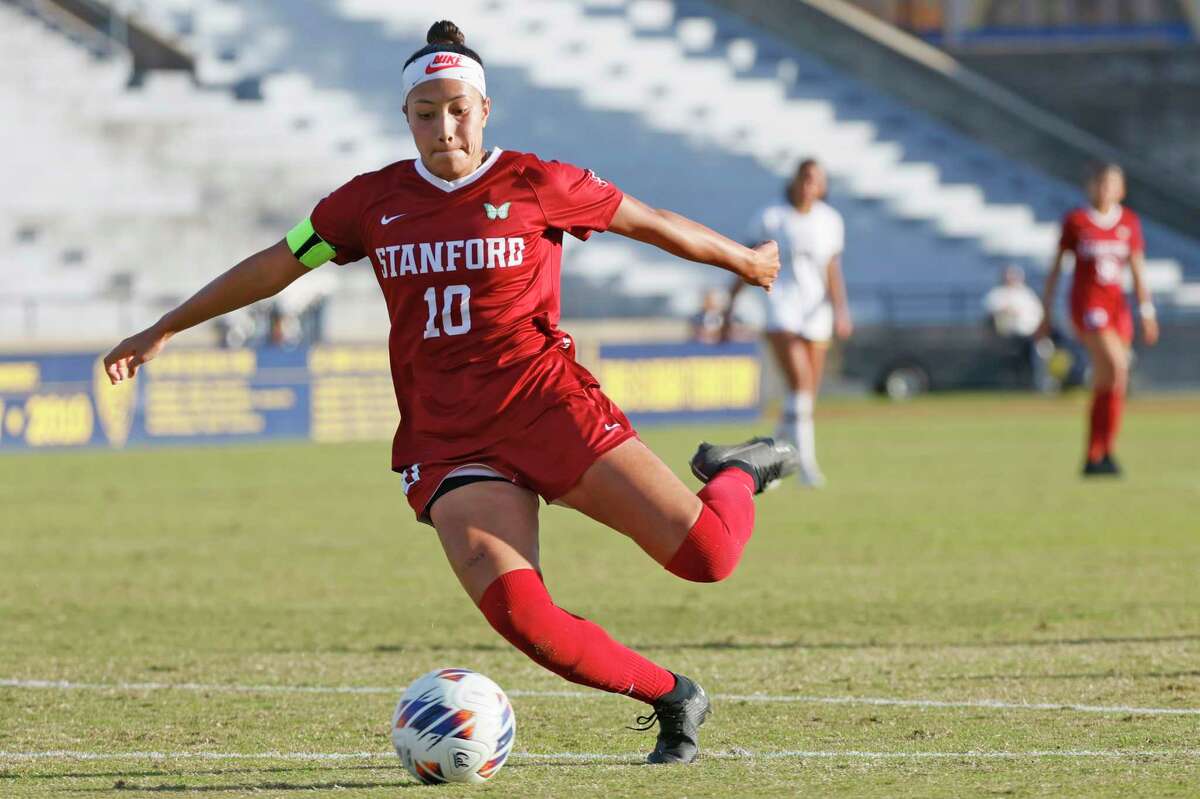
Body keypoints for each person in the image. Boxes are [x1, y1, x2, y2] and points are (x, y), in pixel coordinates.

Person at [102, 21, 797, 766]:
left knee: (710, 558)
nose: (444, 126)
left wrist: (746, 261)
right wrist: (166, 326)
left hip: (550, 409)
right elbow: (278, 263)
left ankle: (736, 472)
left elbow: (648, 222)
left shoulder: (540, 182)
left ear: (485, 109)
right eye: (426, 112)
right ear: (406, 117)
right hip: (450, 442)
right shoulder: (369, 203)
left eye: (458, 108)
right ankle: (672, 695)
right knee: (523, 618)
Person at [726, 159, 851, 487]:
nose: (810, 184)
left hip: (816, 309)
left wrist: (840, 310)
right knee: (800, 383)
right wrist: (730, 303)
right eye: (806, 177)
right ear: (795, 180)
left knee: (804, 394)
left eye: (817, 179)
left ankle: (769, 459)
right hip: (781, 306)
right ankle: (806, 466)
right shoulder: (772, 216)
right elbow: (747, 262)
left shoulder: (830, 220)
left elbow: (832, 268)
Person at [1037, 162, 1159, 476]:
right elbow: (1055, 270)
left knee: (1110, 381)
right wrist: (1045, 313)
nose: (1105, 189)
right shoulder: (1077, 222)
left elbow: (1137, 269)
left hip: (1118, 308)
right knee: (1118, 365)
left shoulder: (1129, 222)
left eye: (1112, 184)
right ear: (1090, 186)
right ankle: (1098, 453)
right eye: (1100, 183)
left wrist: (1146, 311)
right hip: (1088, 307)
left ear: (1122, 189)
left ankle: (1099, 454)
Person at [983, 265, 1042, 338]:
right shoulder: (997, 293)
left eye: (1014, 275)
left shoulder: (1027, 294)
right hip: (1007, 333)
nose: (1012, 278)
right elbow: (990, 307)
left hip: (1028, 331)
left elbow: (1037, 312)